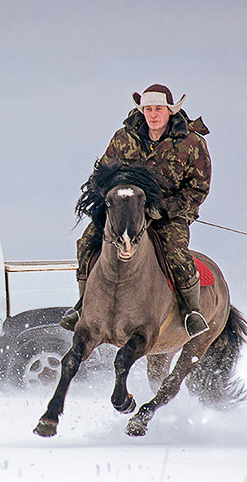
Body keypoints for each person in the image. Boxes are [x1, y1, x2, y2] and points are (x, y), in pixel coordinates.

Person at [62, 84, 212, 339]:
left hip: (167, 215)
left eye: (159, 109)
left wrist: (165, 209)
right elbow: (104, 173)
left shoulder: (192, 142)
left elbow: (198, 188)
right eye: (148, 109)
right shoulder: (123, 137)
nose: (153, 115)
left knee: (175, 252)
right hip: (125, 210)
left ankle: (191, 311)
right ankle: (82, 306)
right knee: (86, 242)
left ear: (170, 111)